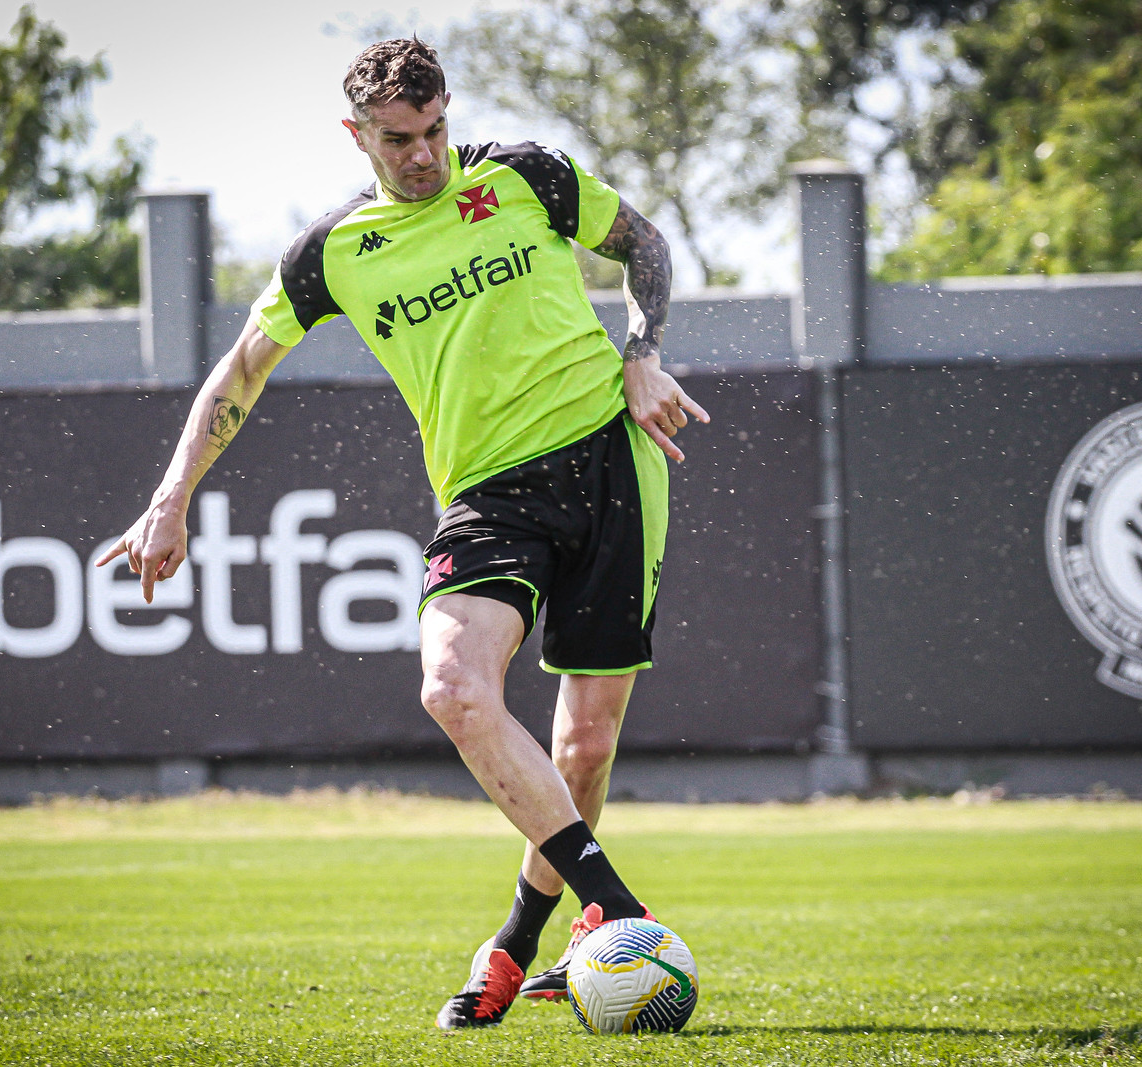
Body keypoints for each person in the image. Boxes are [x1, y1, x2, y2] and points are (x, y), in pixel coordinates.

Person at [98, 37, 709, 1029]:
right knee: (451, 687)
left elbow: (645, 243)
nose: (423, 154)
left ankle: (515, 944)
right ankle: (617, 908)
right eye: (397, 139)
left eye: (433, 130)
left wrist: (642, 351)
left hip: (610, 460)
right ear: (356, 135)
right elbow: (240, 370)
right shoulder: (332, 250)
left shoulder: (525, 174)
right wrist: (171, 499)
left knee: (584, 742)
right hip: (486, 494)